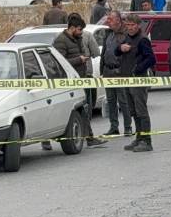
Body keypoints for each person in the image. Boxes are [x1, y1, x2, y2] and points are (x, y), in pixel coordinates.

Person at [50, 13, 106, 148]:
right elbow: (59, 63)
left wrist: (83, 58)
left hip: (82, 78)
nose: (81, 33)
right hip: (70, 82)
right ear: (73, 28)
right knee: (78, 110)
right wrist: (78, 60)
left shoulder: (78, 38)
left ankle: (90, 138)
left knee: (85, 109)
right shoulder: (61, 41)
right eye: (80, 29)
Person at [118, 14, 156, 152]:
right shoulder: (127, 37)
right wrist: (120, 48)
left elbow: (151, 59)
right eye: (127, 25)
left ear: (138, 25)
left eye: (132, 25)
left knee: (141, 111)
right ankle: (139, 138)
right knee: (133, 110)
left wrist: (137, 69)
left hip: (138, 79)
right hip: (127, 78)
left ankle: (147, 141)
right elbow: (117, 52)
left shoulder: (143, 39)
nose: (130, 28)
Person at [101, 12, 133, 137]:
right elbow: (104, 52)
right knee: (111, 100)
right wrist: (102, 68)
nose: (108, 21)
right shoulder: (108, 34)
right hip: (108, 71)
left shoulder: (125, 34)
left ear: (118, 20)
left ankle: (127, 126)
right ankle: (114, 127)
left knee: (123, 100)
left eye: (110, 19)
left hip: (119, 71)